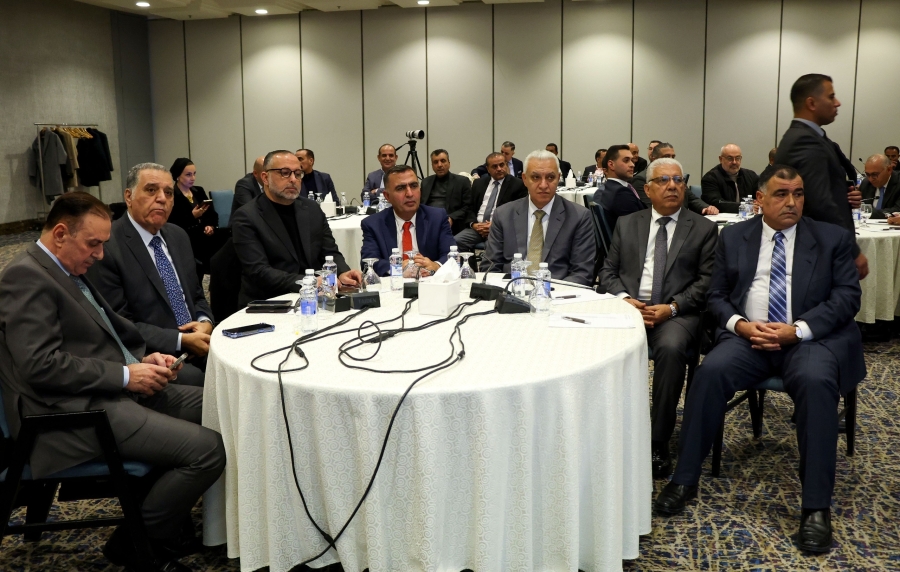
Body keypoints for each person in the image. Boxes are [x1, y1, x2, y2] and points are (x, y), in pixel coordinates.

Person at [0, 192, 226, 572]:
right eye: (93, 244)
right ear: (60, 234)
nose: (101, 254)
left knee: (223, 406)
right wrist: (125, 376)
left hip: (106, 393)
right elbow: (39, 365)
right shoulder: (25, 276)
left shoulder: (65, 269)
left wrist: (140, 361)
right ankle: (139, 543)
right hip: (69, 413)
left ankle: (173, 523)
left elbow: (98, 338)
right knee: (208, 450)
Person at [655, 166, 865, 554]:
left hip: (808, 341)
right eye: (782, 194)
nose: (792, 202)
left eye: (798, 194)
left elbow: (847, 298)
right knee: (710, 372)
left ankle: (815, 507)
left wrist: (797, 330)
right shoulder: (735, 236)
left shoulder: (831, 238)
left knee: (817, 383)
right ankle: (684, 478)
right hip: (748, 338)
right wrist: (741, 325)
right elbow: (717, 296)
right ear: (760, 200)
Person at [599, 157, 718, 479]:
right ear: (648, 189)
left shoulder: (704, 228)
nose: (672, 186)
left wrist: (673, 307)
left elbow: (707, 282)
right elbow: (607, 272)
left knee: (671, 348)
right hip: (630, 310)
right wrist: (626, 301)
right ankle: (602, 428)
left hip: (678, 314)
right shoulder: (627, 223)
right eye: (663, 180)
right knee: (593, 343)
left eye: (678, 180)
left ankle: (657, 440)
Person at [86, 162, 213, 388]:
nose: (162, 199)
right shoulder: (108, 245)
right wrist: (181, 340)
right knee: (209, 388)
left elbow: (196, 295)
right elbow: (118, 322)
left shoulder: (178, 236)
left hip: (200, 342)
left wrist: (204, 322)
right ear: (129, 196)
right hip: (154, 355)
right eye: (151, 190)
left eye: (168, 193)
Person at [232, 150, 362, 307]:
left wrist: (342, 272)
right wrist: (308, 281)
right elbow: (258, 271)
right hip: (270, 301)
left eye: (298, 174)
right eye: (285, 173)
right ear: (265, 178)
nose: (293, 179)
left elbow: (329, 251)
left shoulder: (312, 208)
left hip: (316, 297)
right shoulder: (247, 216)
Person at [774, 73, 868, 279]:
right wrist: (853, 251)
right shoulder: (805, 140)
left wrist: (844, 194)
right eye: (831, 96)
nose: (838, 103)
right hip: (819, 249)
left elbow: (819, 187)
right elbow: (819, 203)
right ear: (811, 103)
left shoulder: (812, 137)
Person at [481, 150, 594, 285]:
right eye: (535, 177)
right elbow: (490, 267)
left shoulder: (579, 217)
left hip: (557, 292)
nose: (543, 185)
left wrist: (547, 292)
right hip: (511, 289)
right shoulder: (503, 214)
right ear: (524, 179)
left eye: (550, 177)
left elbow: (582, 273)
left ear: (559, 178)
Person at [360, 164, 456, 277]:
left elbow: (451, 254)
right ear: (387, 196)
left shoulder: (437, 217)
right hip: (394, 284)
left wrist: (436, 265)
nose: (409, 194)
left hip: (430, 282)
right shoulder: (373, 224)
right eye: (400, 188)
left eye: (414, 186)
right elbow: (368, 262)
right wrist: (396, 267)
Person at [455, 152, 527, 253]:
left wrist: (494, 225)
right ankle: (468, 263)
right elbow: (469, 207)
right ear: (488, 169)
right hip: (477, 228)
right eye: (494, 166)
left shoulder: (518, 185)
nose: (499, 169)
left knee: (491, 247)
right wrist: (474, 224)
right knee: (455, 241)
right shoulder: (479, 183)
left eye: (501, 165)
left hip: (500, 230)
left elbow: (518, 213)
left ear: (506, 165)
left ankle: (489, 264)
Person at [167, 158, 227, 278]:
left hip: (205, 234)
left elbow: (212, 214)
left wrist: (210, 226)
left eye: (194, 174)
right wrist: (192, 216)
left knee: (227, 237)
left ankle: (219, 277)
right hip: (188, 237)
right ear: (178, 176)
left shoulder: (198, 191)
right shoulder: (172, 196)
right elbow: (172, 223)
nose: (193, 178)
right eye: (188, 175)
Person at [633, 143, 717, 216]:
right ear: (654, 159)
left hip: (683, 219)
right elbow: (650, 207)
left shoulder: (677, 177)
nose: (671, 159)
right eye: (666, 156)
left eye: (673, 156)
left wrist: (706, 207)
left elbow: (692, 199)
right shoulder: (641, 179)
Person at [420, 149, 473, 235]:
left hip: (451, 223)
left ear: (449, 163)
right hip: (428, 222)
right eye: (435, 162)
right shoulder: (426, 182)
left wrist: (452, 218)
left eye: (443, 161)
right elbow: (420, 204)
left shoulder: (462, 181)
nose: (439, 165)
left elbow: (468, 206)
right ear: (432, 165)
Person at [594, 144, 645, 230]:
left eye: (632, 160)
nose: (632, 164)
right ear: (611, 164)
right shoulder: (621, 193)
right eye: (626, 160)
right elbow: (638, 227)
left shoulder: (603, 190)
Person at [700, 144, 760, 213]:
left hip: (749, 216)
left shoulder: (751, 175)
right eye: (730, 158)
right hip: (721, 217)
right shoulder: (710, 178)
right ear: (720, 159)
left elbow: (760, 197)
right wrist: (745, 207)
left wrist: (758, 203)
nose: (734, 162)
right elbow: (716, 203)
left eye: (737, 158)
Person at [860, 154, 900, 219]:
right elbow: (860, 206)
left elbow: (897, 210)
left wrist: (869, 212)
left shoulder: (898, 182)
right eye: (867, 174)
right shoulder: (866, 183)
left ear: (889, 170)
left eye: (874, 174)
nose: (870, 179)